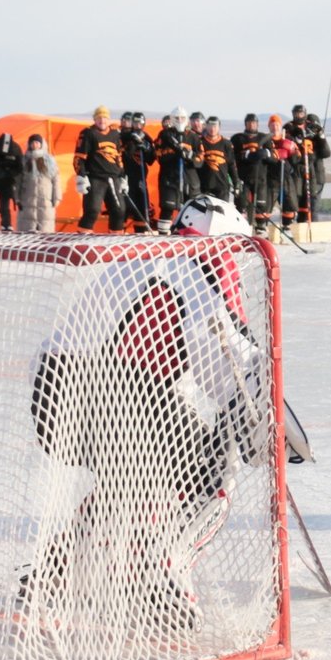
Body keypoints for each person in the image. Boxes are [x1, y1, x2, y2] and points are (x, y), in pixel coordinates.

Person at [24, 193, 265, 626]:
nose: (234, 260)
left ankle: (53, 571)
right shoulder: (197, 272)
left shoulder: (140, 257)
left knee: (127, 482)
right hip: (110, 394)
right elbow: (226, 370)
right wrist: (264, 416)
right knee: (211, 468)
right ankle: (160, 575)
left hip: (55, 393)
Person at [73, 106, 127, 232]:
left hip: (113, 177)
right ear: (94, 119)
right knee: (92, 210)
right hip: (96, 177)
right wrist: (81, 175)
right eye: (99, 118)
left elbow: (118, 157)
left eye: (104, 118)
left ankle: (116, 237)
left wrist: (123, 176)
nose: (102, 120)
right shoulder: (88, 133)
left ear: (109, 119)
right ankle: (83, 236)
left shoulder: (115, 134)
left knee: (119, 210)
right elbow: (79, 157)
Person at [229, 113, 272, 230]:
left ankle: (260, 229)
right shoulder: (237, 138)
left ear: (257, 124)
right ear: (245, 124)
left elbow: (274, 158)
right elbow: (231, 157)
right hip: (244, 178)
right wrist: (246, 155)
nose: (251, 125)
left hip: (260, 178)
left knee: (261, 206)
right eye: (249, 123)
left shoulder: (264, 138)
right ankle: (242, 229)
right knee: (242, 205)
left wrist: (266, 153)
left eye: (254, 123)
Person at [16, 133, 61, 232]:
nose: (34, 145)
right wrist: (17, 198)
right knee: (27, 230)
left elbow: (56, 180)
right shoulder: (24, 160)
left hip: (45, 199)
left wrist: (57, 197)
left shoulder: (49, 160)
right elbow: (18, 180)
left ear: (41, 144)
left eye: (37, 142)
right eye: (32, 143)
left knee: (45, 228)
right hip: (27, 199)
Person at [121, 111, 156, 231]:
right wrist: (132, 144)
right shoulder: (125, 136)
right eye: (135, 122)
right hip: (126, 176)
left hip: (140, 177)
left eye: (140, 123)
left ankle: (140, 234)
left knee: (142, 208)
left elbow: (151, 160)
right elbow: (122, 154)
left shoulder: (147, 138)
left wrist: (146, 149)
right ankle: (119, 233)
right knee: (125, 207)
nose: (138, 125)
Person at [197, 116, 233, 202]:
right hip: (204, 186)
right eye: (210, 126)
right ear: (206, 126)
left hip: (222, 187)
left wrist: (236, 182)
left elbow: (231, 164)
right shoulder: (199, 142)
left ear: (219, 127)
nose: (212, 129)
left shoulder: (226, 143)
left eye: (215, 126)